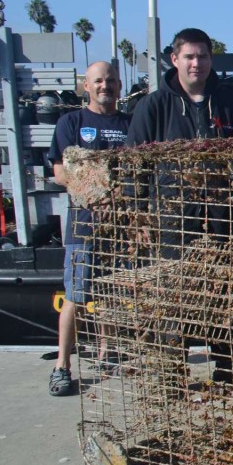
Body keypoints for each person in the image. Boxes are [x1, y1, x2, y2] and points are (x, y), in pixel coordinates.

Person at [127, 27, 233, 383]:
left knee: (225, 294)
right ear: (175, 59)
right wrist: (138, 214)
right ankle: (176, 373)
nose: (196, 63)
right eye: (189, 56)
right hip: (174, 223)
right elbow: (133, 167)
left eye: (202, 56)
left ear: (211, 59)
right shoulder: (154, 106)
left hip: (224, 221)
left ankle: (228, 369)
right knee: (176, 298)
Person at [46, 62, 131, 396]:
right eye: (98, 81)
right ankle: (62, 367)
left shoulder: (130, 123)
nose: (104, 86)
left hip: (122, 227)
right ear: (86, 86)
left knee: (113, 292)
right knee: (76, 296)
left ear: (120, 86)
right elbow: (60, 173)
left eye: (110, 80)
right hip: (84, 225)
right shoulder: (71, 123)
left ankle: (107, 354)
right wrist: (97, 196)